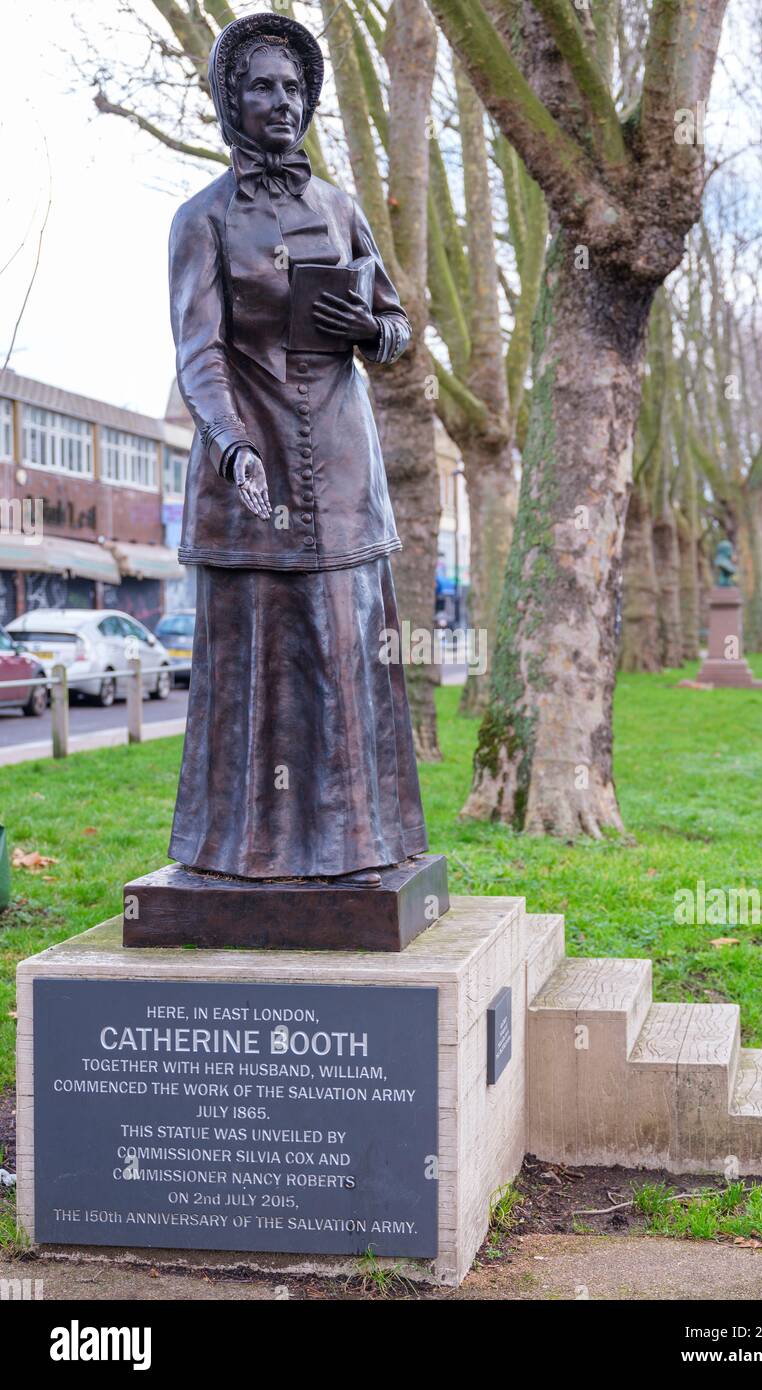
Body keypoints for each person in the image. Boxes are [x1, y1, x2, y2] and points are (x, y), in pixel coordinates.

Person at [167, 12, 427, 886]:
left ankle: (362, 845)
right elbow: (198, 352)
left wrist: (374, 329)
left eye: (292, 88)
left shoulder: (341, 208)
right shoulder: (199, 220)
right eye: (260, 88)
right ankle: (242, 853)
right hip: (254, 461)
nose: (280, 102)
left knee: (345, 649)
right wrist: (234, 447)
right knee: (259, 659)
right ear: (230, 101)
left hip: (345, 469)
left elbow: (397, 328)